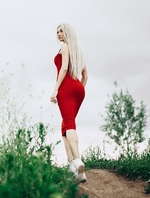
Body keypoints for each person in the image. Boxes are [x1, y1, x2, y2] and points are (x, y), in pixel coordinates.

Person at [50, 23, 88, 182]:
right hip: (78, 87)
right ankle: (74, 167)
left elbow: (64, 68)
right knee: (66, 125)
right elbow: (85, 75)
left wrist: (56, 90)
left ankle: (77, 160)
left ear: (67, 33)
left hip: (66, 86)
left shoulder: (64, 46)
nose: (59, 34)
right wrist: (78, 89)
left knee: (69, 123)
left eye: (62, 31)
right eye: (57, 31)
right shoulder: (78, 51)